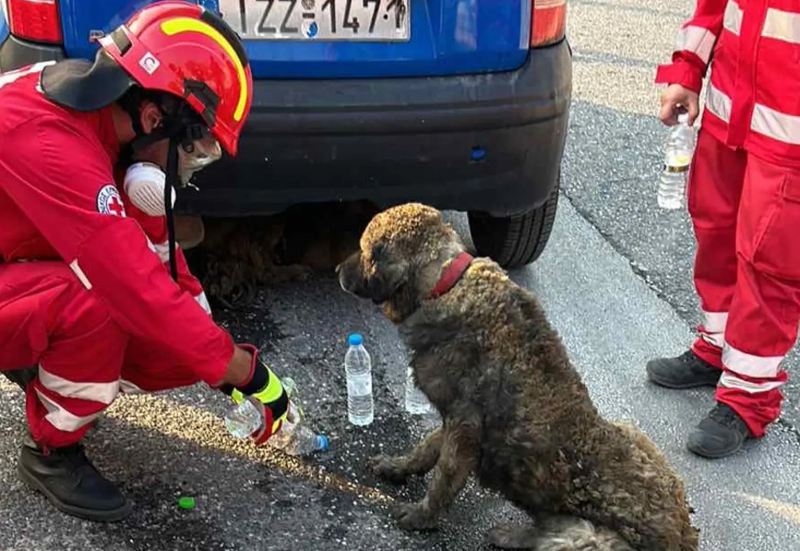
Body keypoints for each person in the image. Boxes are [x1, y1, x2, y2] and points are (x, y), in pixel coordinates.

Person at [0, 1, 288, 521]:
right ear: (154, 116)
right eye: (194, 146)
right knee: (97, 302)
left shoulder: (102, 124)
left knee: (181, 344)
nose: (192, 164)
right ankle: (51, 452)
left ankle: (40, 361)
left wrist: (218, 357)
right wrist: (246, 373)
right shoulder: (52, 144)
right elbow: (130, 285)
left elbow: (161, 272)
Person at [651, 0, 800, 459]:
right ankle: (718, 347)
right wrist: (687, 70)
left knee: (770, 257)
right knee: (715, 226)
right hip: (729, 106)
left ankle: (748, 396)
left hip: (789, 130)